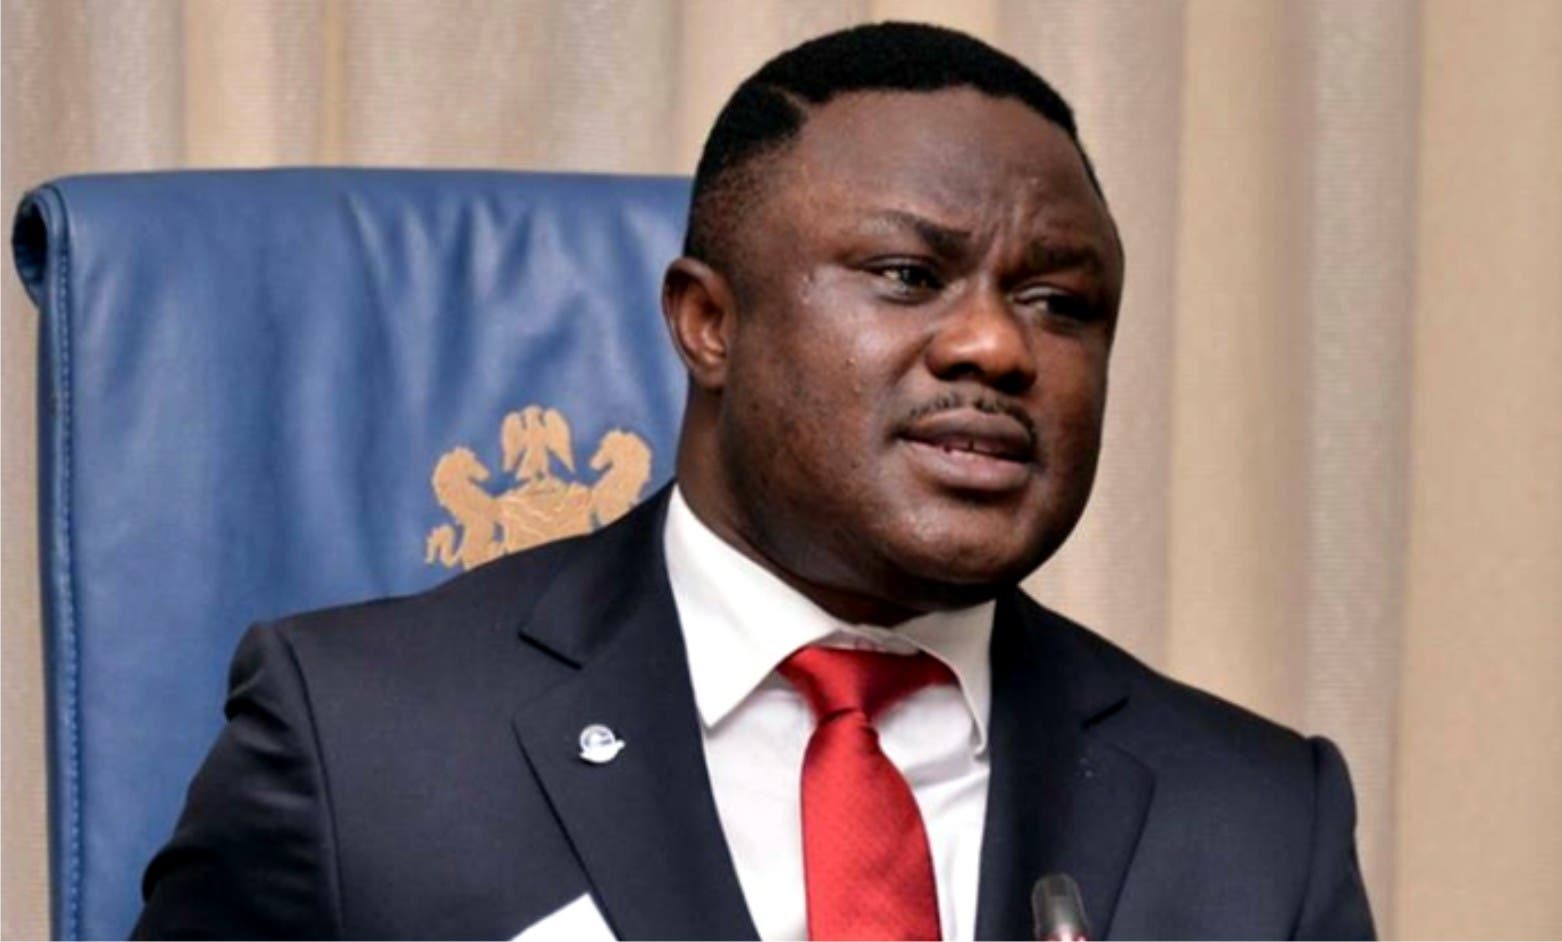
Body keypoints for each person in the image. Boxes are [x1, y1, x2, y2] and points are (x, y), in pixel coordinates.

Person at [133, 22, 1374, 941]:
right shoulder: (363, 742)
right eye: (907, 276)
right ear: (707, 323)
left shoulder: (1259, 824)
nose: (996, 346)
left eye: (1057, 301)